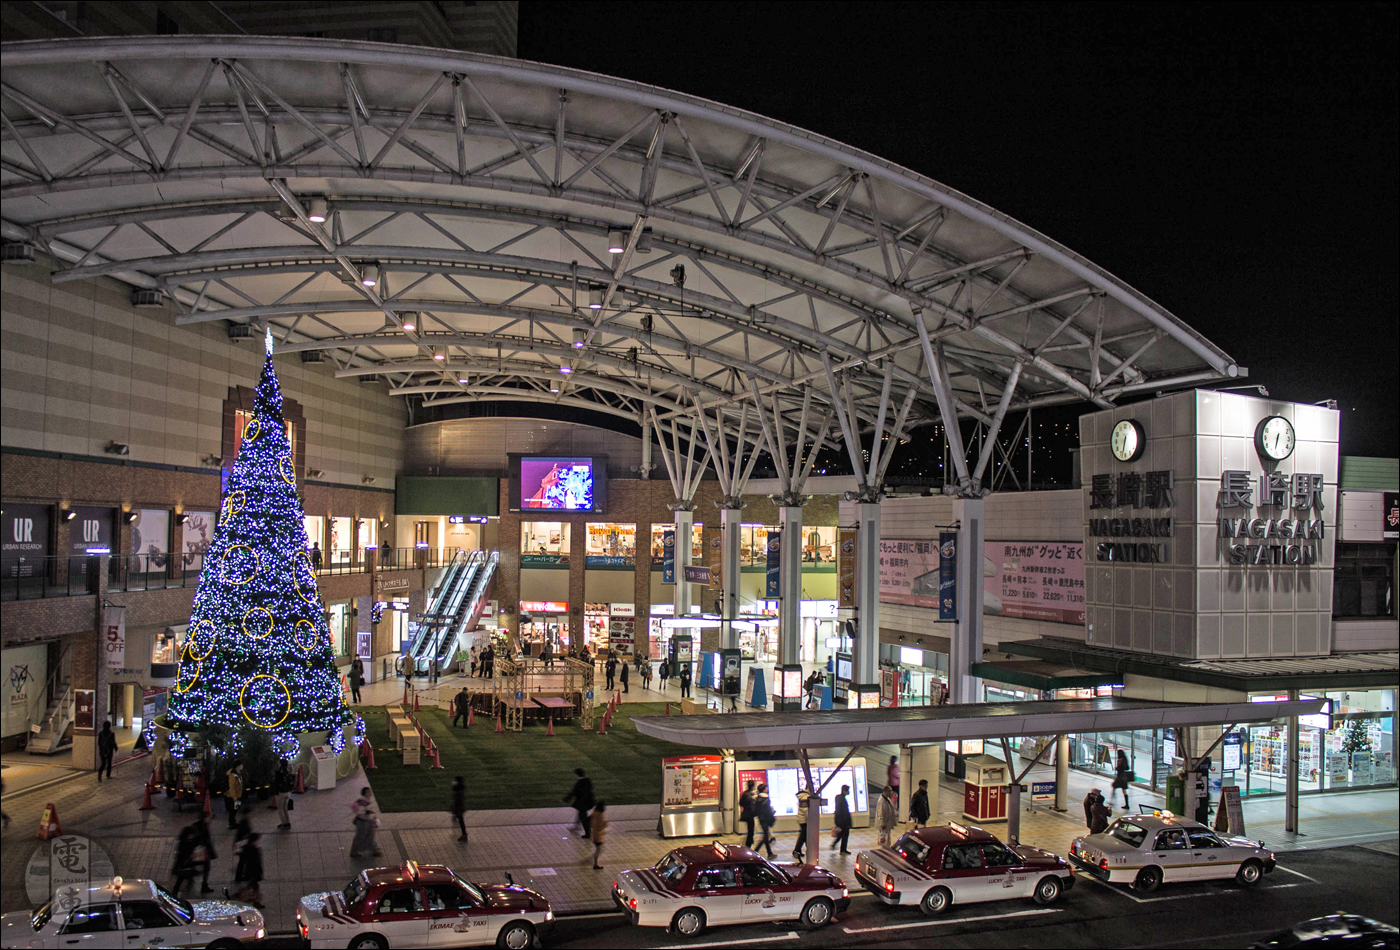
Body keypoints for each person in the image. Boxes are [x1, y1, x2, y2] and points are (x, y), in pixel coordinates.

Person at [231, 832, 264, 908]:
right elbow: (256, 862)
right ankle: (241, 896)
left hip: (249, 871)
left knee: (252, 886)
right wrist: (259, 872)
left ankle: (255, 901)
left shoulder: (247, 848)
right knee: (253, 886)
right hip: (253, 872)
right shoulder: (253, 849)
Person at [350, 787, 382, 858]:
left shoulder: (366, 800)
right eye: (368, 792)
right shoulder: (362, 801)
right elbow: (361, 811)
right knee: (361, 836)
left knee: (369, 836)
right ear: (365, 793)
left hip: (367, 821)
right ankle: (354, 851)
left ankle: (374, 849)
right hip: (363, 822)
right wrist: (369, 812)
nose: (370, 793)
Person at [565, 768, 596, 838]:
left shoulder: (579, 783)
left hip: (582, 803)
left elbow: (574, 792)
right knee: (581, 814)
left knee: (583, 817)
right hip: (588, 802)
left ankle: (587, 833)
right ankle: (578, 826)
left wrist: (567, 799)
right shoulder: (588, 781)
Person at [755, 783, 777, 858]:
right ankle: (756, 851)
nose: (767, 789)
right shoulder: (766, 799)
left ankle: (769, 853)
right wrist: (771, 814)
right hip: (765, 818)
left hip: (761, 818)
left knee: (766, 836)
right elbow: (767, 810)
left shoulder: (758, 798)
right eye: (766, 788)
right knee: (765, 836)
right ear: (764, 790)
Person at [792, 786, 814, 861]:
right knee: (804, 835)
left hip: (802, 819)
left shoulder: (802, 796)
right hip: (804, 820)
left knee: (804, 835)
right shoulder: (806, 797)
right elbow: (806, 811)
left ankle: (798, 850)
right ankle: (798, 850)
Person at [831, 785, 853, 854]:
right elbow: (843, 811)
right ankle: (843, 849)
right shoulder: (842, 799)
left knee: (842, 834)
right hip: (844, 820)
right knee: (845, 834)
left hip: (841, 820)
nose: (848, 792)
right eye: (847, 790)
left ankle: (836, 845)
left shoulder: (839, 798)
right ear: (844, 791)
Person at [273, 759, 293, 829]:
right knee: (285, 808)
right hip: (287, 792)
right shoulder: (287, 772)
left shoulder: (278, 773)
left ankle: (284, 823)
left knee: (280, 809)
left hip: (281, 792)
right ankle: (287, 822)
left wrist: (275, 792)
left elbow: (276, 783)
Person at [224, 763, 245, 829]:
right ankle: (232, 824)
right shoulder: (232, 775)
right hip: (232, 796)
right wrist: (234, 797)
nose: (242, 766)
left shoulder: (237, 773)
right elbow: (231, 787)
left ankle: (233, 822)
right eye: (241, 765)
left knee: (235, 809)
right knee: (232, 810)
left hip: (237, 795)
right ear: (238, 766)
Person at [589, 802, 609, 869]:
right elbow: (600, 827)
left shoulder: (595, 813)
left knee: (599, 850)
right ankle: (595, 864)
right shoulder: (600, 815)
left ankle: (594, 862)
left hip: (594, 833)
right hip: (598, 836)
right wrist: (605, 824)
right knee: (599, 850)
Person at [738, 780, 757, 847]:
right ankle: (748, 843)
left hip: (746, 812)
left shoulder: (745, 793)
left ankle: (750, 841)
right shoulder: (751, 795)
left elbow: (740, 803)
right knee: (751, 829)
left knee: (750, 829)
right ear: (752, 786)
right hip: (750, 814)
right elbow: (752, 805)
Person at [450, 775, 468, 842]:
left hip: (459, 807)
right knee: (461, 820)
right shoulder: (460, 789)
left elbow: (457, 799)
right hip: (460, 807)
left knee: (461, 820)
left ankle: (464, 834)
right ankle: (464, 834)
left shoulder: (458, 790)